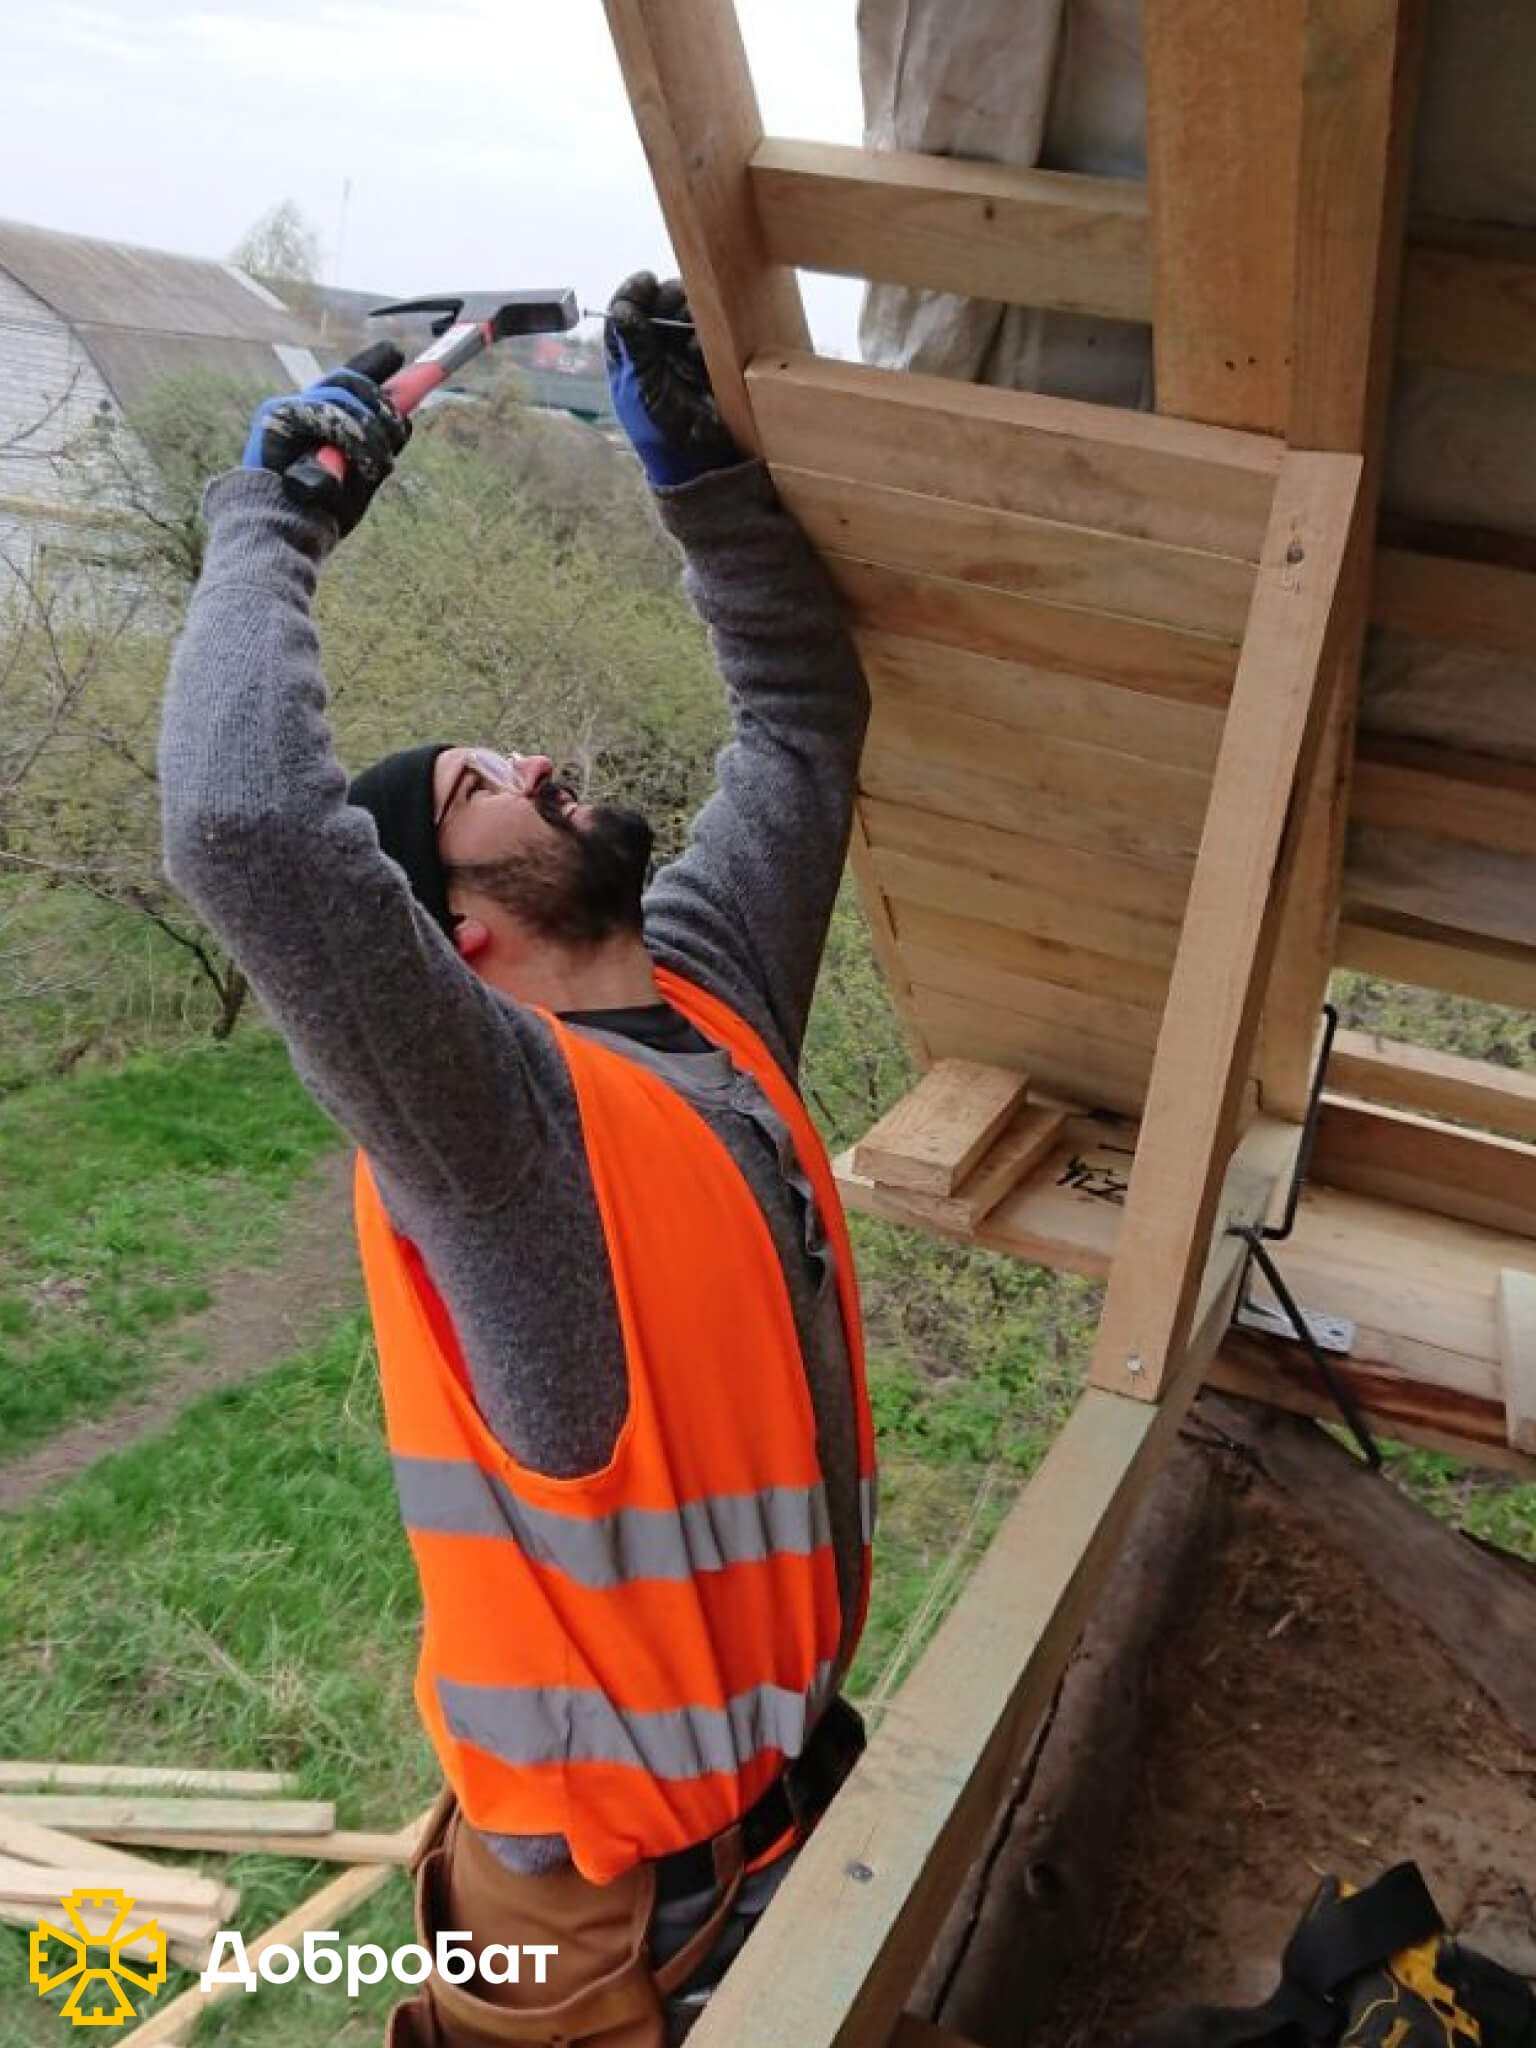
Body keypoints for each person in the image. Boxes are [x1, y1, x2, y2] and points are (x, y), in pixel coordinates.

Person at [158, 272, 877, 2046]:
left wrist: (703, 480)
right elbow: (247, 818)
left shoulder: (706, 1011)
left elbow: (799, 720)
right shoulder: (492, 1136)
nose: (548, 762)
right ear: (451, 930)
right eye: (492, 782)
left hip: (775, 1830)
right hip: (610, 1940)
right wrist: (276, 514)